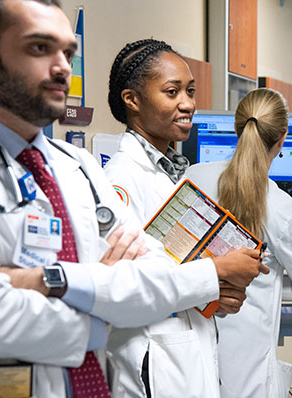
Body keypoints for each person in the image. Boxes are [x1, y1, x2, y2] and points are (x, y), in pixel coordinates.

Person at [0, 1, 267, 397]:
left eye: (68, 52)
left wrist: (49, 280)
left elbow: (148, 275)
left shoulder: (79, 168)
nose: (63, 67)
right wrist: (106, 316)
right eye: (40, 48)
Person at [103, 39, 246, 397]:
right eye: (172, 92)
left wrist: (217, 295)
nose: (188, 104)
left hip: (186, 348)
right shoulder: (120, 182)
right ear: (131, 100)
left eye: (190, 91)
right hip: (154, 357)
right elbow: (128, 288)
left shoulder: (170, 173)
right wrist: (217, 274)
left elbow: (179, 265)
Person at [184, 88, 292, 398]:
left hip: (190, 340)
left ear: (236, 128)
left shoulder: (193, 177)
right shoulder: (282, 208)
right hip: (246, 358)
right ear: (283, 138)